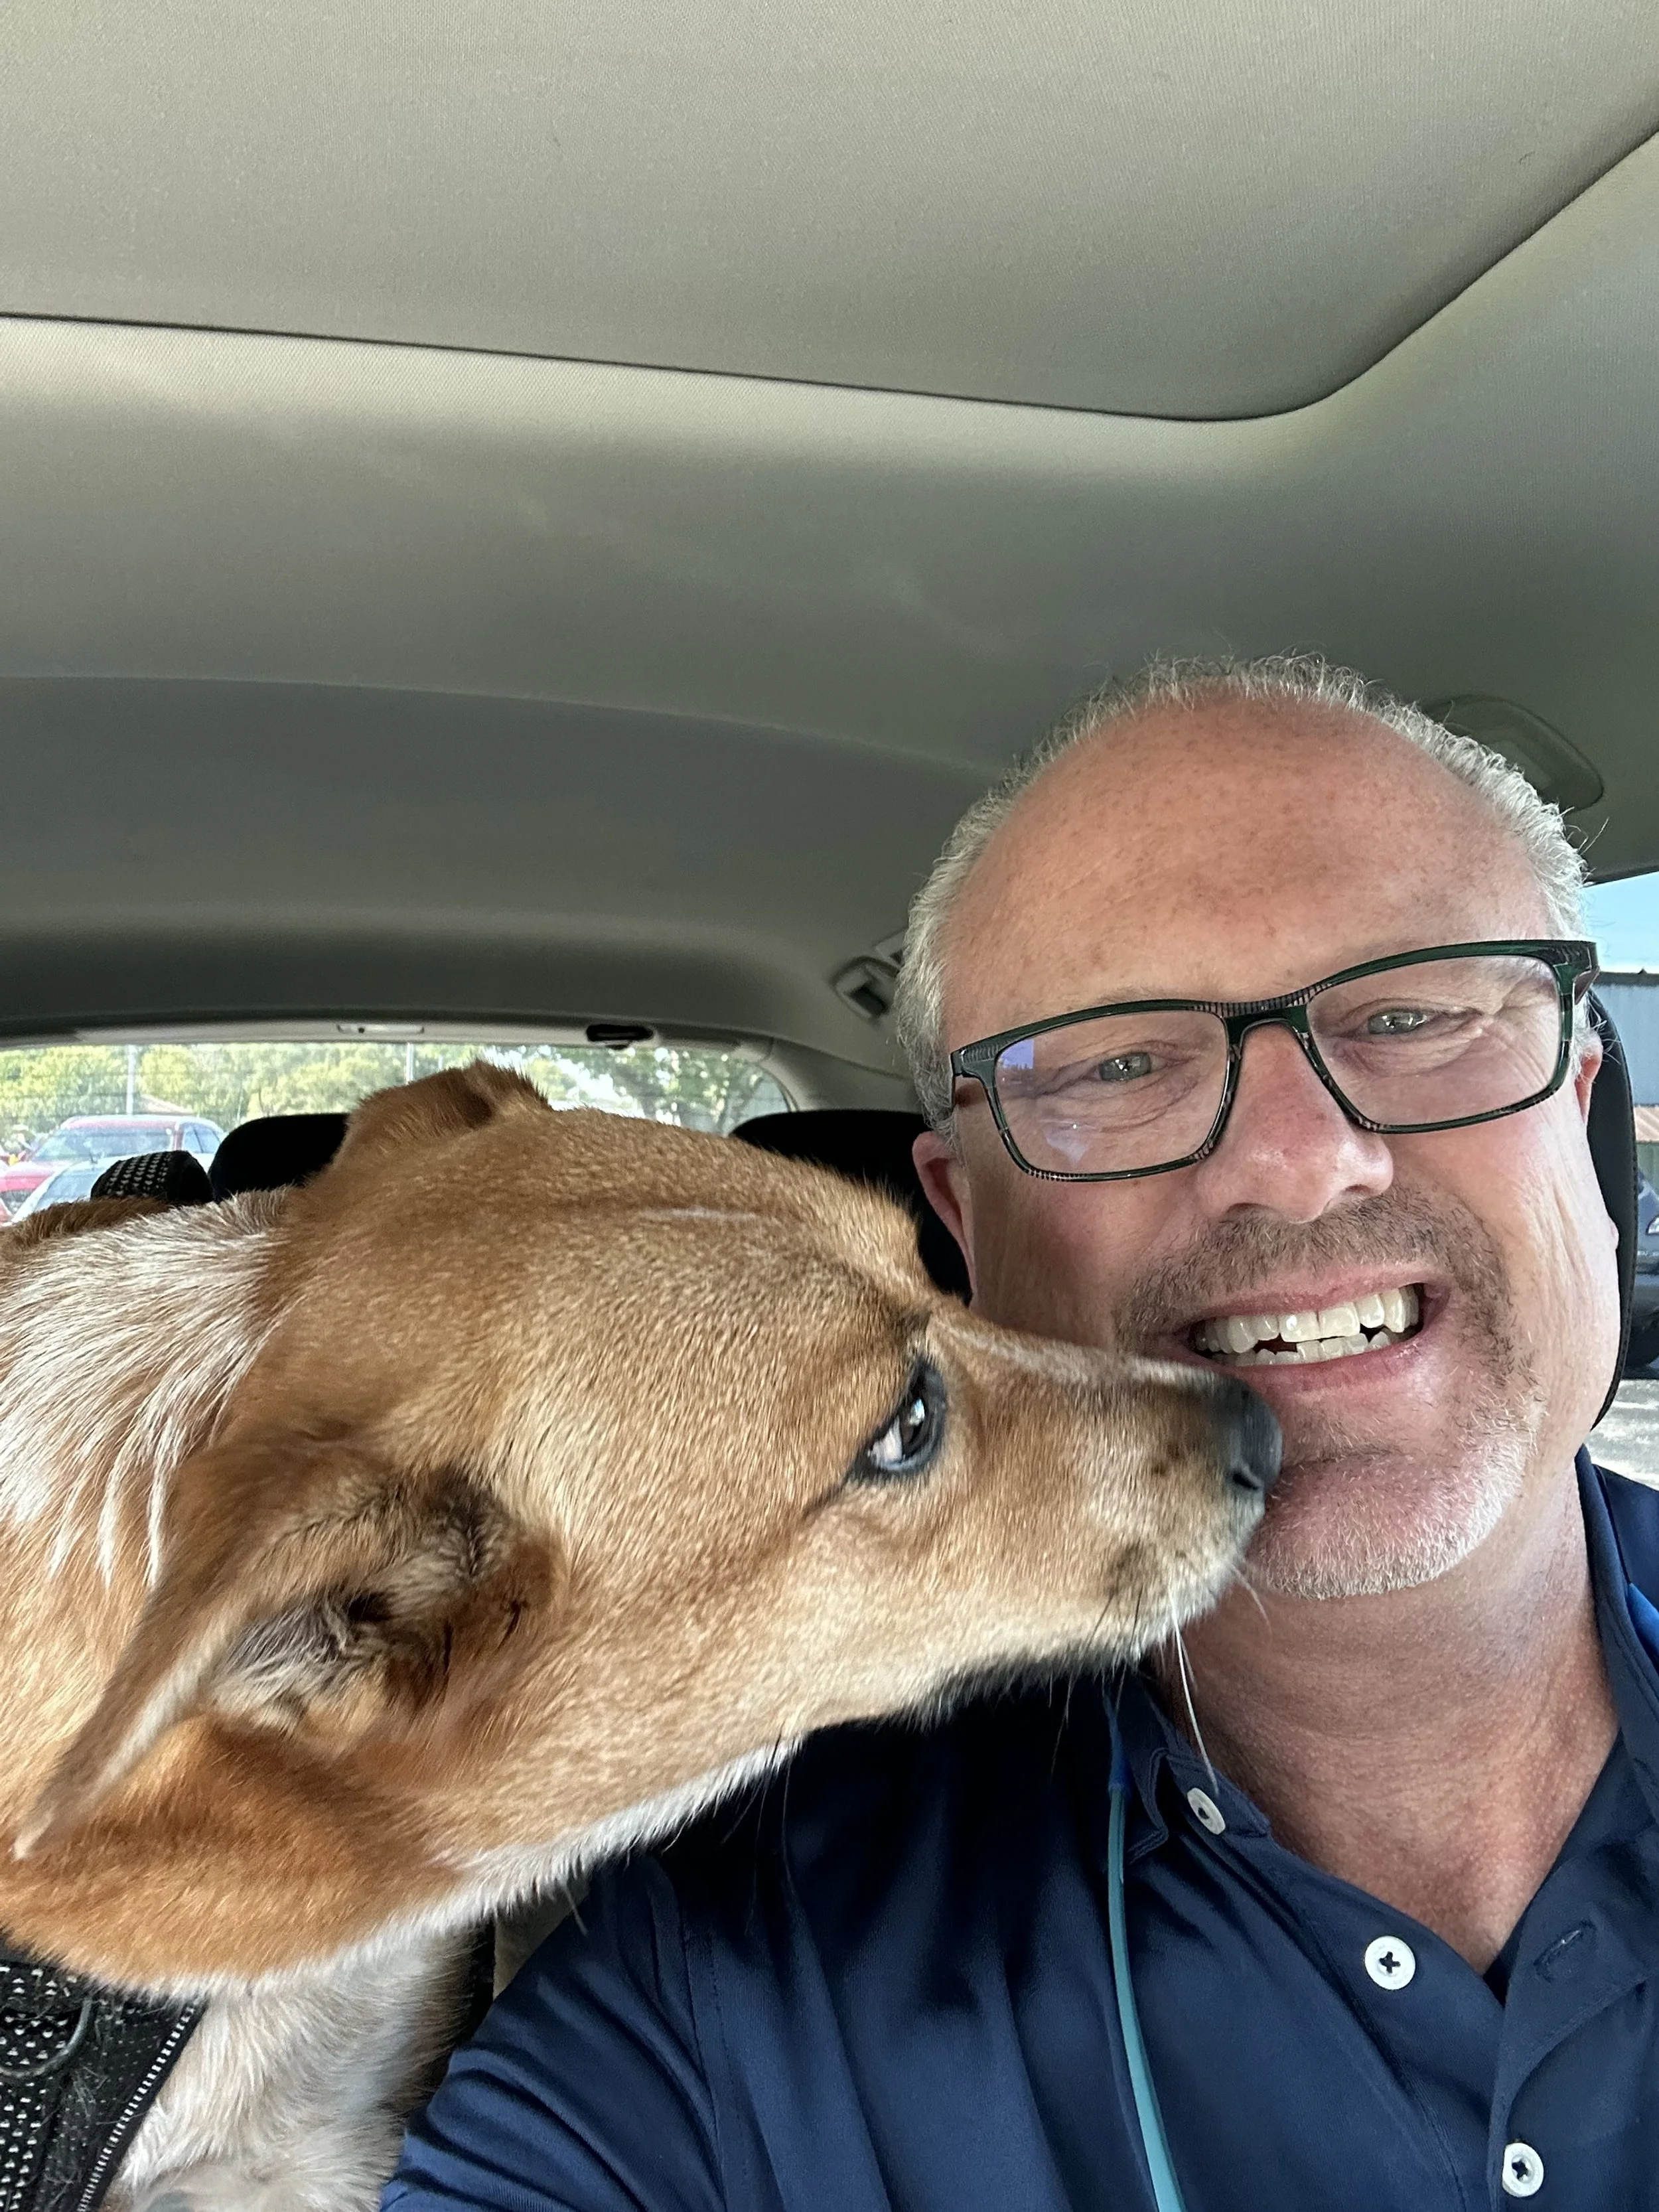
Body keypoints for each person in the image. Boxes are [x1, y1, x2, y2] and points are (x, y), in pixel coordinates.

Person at [385, 657, 1655, 2211]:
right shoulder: (720, 1980)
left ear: (1580, 1113)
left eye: (1412, 1012)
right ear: (961, 1220)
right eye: (1121, 1063)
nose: (1301, 1159)